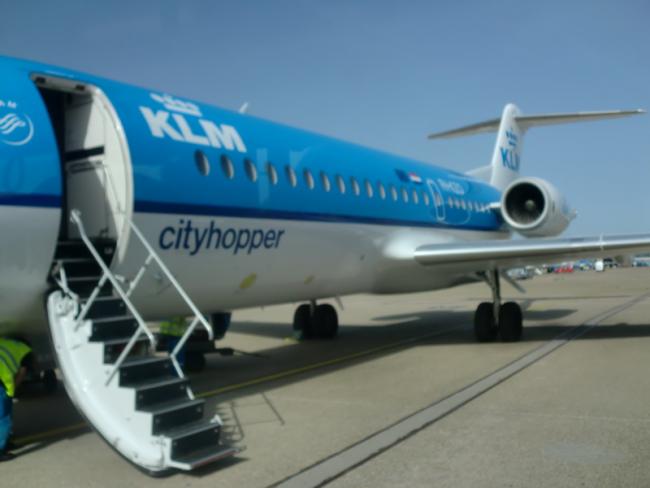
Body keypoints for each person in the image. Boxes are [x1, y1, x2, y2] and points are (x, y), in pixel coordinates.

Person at [0, 337, 33, 462]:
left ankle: (6, 442)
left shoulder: (5, 343)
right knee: (4, 419)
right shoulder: (26, 353)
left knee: (4, 414)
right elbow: (21, 373)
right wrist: (12, 390)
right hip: (1, 382)